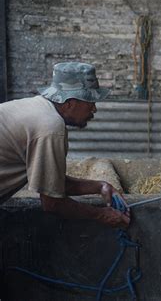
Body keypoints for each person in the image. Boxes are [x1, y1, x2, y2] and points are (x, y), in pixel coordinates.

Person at [0, 62, 130, 228]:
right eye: (90, 102)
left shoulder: (36, 107)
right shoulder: (51, 127)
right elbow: (52, 203)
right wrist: (101, 215)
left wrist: (101, 186)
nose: (94, 109)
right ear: (70, 103)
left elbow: (53, 183)